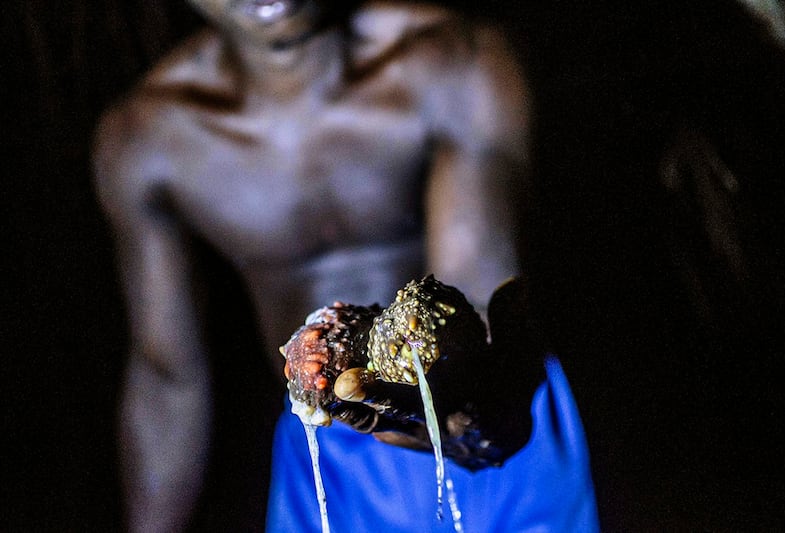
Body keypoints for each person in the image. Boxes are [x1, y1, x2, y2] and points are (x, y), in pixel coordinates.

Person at [93, 0, 595, 531]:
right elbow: (168, 376)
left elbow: (482, 297)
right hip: (326, 449)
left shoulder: (453, 60)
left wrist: (460, 408)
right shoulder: (146, 140)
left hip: (497, 402)